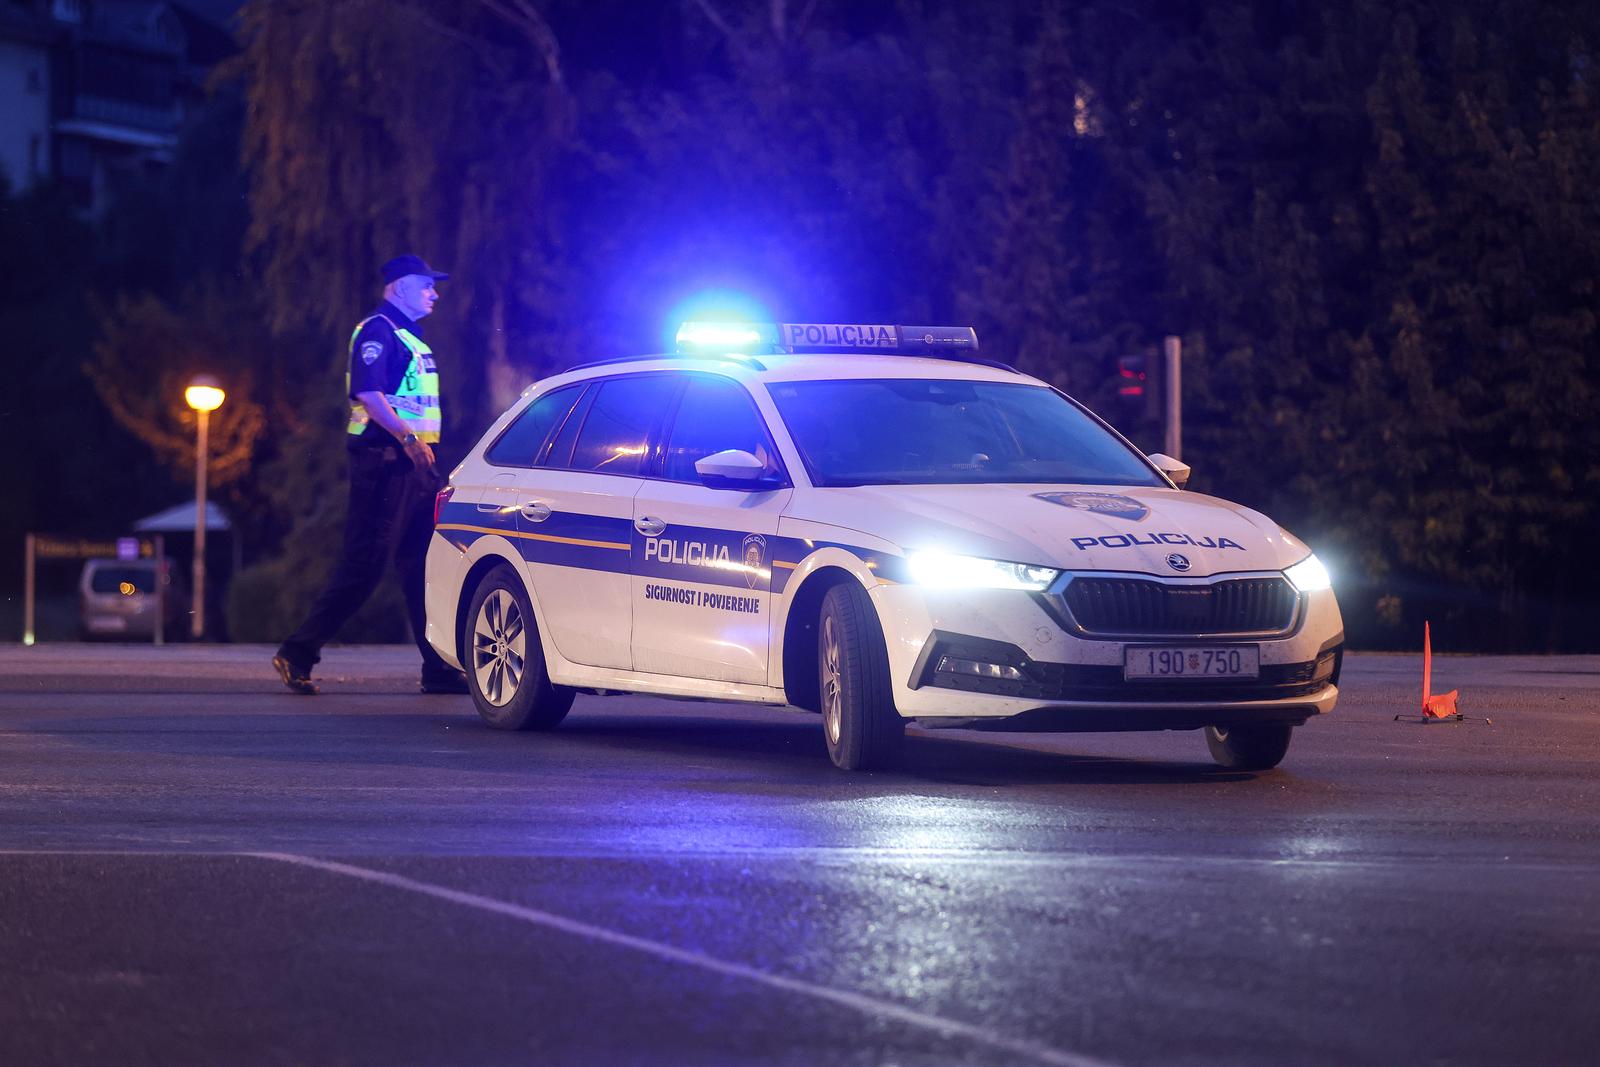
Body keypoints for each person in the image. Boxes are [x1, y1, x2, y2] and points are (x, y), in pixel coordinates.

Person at [271, 254, 468, 695]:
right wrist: (407, 439)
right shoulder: (378, 330)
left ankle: (437, 668)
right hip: (383, 464)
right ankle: (297, 652)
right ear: (398, 288)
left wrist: (418, 450)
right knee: (364, 565)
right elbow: (368, 393)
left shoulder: (408, 336)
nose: (434, 293)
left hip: (411, 466)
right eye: (425, 285)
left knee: (421, 565)